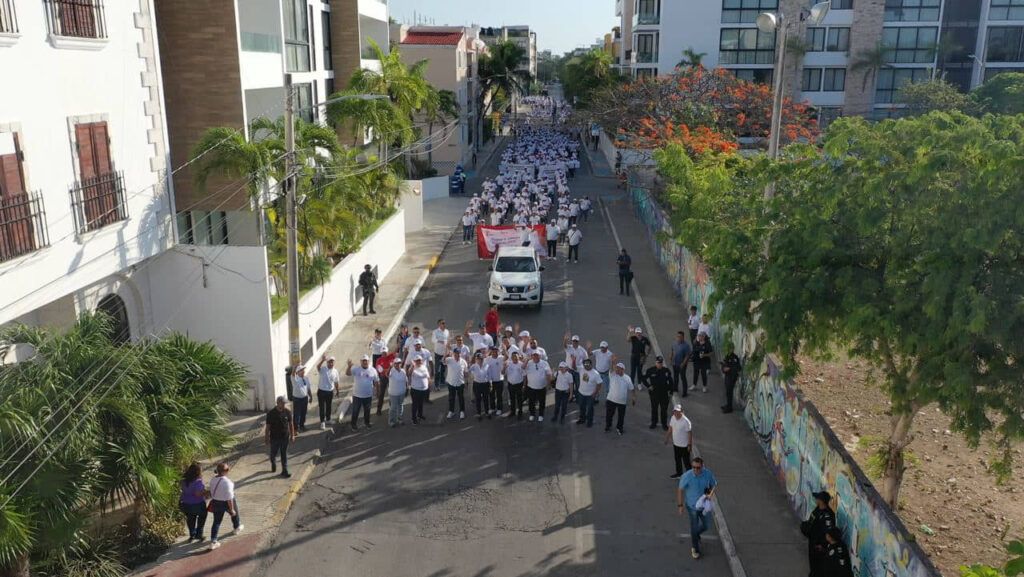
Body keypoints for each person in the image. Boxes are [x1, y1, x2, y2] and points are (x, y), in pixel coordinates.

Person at [677, 457, 717, 559]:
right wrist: (680, 505)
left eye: (698, 468)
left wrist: (710, 494)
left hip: (704, 506)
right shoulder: (687, 476)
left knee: (706, 526)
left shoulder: (707, 474)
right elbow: (680, 490)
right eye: (693, 467)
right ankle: (695, 548)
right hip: (692, 507)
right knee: (694, 527)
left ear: (702, 466)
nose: (695, 470)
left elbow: (714, 485)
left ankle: (696, 534)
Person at [207, 463, 243, 550]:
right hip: (226, 502)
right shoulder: (227, 482)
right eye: (227, 469)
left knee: (216, 522)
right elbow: (229, 498)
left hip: (216, 502)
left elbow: (211, 491)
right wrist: (231, 509)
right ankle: (236, 527)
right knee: (235, 514)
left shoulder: (213, 479)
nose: (228, 471)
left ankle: (213, 541)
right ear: (225, 471)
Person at [801, 491, 837, 577]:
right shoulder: (817, 509)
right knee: (813, 565)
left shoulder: (828, 515)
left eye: (817, 498)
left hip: (819, 546)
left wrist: (823, 545)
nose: (816, 499)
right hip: (813, 542)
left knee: (818, 567)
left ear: (821, 501)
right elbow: (812, 523)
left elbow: (829, 532)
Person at [345, 355, 379, 430]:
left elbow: (376, 381)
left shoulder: (373, 370)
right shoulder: (356, 369)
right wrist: (349, 366)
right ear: (361, 362)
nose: (365, 362)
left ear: (368, 361)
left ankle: (367, 423)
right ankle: (353, 425)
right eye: (363, 361)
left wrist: (377, 392)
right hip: (357, 396)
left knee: (367, 411)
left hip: (368, 395)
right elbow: (347, 373)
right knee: (355, 411)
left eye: (366, 361)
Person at [266, 395, 295, 477]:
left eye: (284, 403)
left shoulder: (288, 412)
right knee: (273, 454)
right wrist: (266, 438)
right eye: (282, 403)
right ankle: (273, 462)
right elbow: (268, 427)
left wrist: (292, 435)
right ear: (278, 403)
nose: (284, 405)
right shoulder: (271, 413)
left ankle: (284, 471)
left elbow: (291, 424)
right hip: (274, 438)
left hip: (284, 437)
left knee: (284, 454)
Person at [605, 362, 636, 435]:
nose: (617, 370)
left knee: (621, 416)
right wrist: (613, 362)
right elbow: (611, 368)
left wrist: (634, 397)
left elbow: (632, 388)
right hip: (611, 399)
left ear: (623, 370)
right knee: (609, 414)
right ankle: (608, 426)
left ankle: (619, 428)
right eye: (616, 368)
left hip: (622, 401)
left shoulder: (627, 378)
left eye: (619, 368)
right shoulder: (612, 375)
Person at [179, 462, 207, 542]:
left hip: (186, 504)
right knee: (202, 518)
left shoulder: (184, 481)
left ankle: (192, 535)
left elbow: (183, 489)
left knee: (190, 519)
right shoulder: (198, 482)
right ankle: (199, 534)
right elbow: (197, 494)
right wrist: (206, 492)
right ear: (197, 472)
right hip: (198, 504)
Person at [643, 356, 673, 429]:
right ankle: (654, 422)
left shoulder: (666, 371)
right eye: (658, 363)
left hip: (664, 394)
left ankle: (664, 424)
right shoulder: (651, 370)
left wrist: (670, 392)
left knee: (664, 410)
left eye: (661, 363)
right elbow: (643, 378)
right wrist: (648, 386)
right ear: (655, 363)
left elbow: (671, 382)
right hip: (654, 394)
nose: (660, 364)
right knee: (654, 409)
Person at [665, 405, 693, 478]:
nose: (676, 413)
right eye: (675, 411)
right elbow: (670, 428)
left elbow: (689, 434)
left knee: (686, 462)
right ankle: (679, 473)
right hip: (676, 444)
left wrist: (689, 445)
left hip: (684, 445)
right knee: (677, 460)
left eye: (678, 411)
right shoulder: (673, 418)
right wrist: (667, 438)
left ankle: (690, 476)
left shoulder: (686, 421)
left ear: (682, 412)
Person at [525, 351, 552, 422]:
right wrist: (527, 360)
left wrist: (549, 384)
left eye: (537, 355)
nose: (535, 357)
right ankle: (532, 414)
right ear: (532, 356)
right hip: (531, 387)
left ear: (540, 356)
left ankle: (541, 415)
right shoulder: (528, 363)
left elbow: (549, 374)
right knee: (531, 402)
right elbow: (522, 368)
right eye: (534, 355)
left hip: (542, 387)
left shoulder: (544, 363)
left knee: (542, 402)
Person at [576, 358, 602, 427]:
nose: (586, 366)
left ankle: (590, 421)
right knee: (582, 407)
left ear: (591, 364)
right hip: (581, 393)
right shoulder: (581, 369)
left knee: (590, 408)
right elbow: (574, 367)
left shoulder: (595, 374)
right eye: (585, 364)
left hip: (590, 395)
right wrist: (573, 360)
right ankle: (582, 419)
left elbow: (599, 384)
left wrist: (595, 393)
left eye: (588, 364)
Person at [444, 347, 469, 419]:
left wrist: (466, 382)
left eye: (458, 353)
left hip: (460, 383)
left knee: (461, 398)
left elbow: (466, 373)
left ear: (460, 354)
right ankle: (451, 411)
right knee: (451, 398)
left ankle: (462, 411)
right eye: (455, 353)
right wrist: (446, 350)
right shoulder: (449, 360)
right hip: (451, 383)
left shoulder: (463, 362)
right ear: (453, 353)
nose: (456, 355)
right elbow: (443, 361)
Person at [315, 356, 340, 429]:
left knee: (329, 406)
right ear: (327, 362)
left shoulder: (335, 371)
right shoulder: (323, 369)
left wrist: (337, 391)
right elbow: (318, 367)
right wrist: (322, 360)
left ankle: (328, 419)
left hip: (330, 392)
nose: (331, 363)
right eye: (329, 362)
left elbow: (336, 382)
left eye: (332, 362)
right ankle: (322, 422)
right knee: (322, 407)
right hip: (321, 391)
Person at [408, 356, 431, 424]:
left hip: (424, 389)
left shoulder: (424, 367)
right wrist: (412, 366)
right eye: (417, 360)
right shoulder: (413, 368)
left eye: (420, 360)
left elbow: (428, 376)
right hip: (415, 390)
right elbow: (409, 373)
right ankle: (414, 419)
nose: (419, 362)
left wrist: (429, 384)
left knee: (421, 403)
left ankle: (420, 415)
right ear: (415, 361)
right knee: (415, 404)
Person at [470, 352, 492, 420]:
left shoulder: (487, 365)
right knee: (478, 399)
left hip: (485, 384)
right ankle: (479, 413)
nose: (479, 360)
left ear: (483, 359)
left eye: (481, 359)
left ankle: (487, 412)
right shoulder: (473, 366)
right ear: (476, 359)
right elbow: (468, 372)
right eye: (478, 359)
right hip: (477, 384)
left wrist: (490, 385)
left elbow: (489, 376)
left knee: (486, 399)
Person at [505, 349, 527, 419]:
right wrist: (504, 367)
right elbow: (503, 373)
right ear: (511, 358)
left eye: (516, 356)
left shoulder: (521, 365)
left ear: (518, 357)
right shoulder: (508, 364)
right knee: (512, 399)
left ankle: (520, 412)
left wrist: (524, 385)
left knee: (519, 399)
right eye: (513, 356)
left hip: (519, 385)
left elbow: (524, 376)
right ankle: (513, 412)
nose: (515, 358)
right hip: (510, 384)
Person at [720, 345, 742, 413]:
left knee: (729, 391)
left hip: (732, 377)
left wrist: (729, 369)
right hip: (727, 376)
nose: (729, 350)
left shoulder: (735, 358)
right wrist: (723, 369)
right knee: (727, 392)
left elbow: (738, 368)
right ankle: (728, 405)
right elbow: (724, 365)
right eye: (728, 349)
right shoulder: (727, 356)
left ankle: (729, 408)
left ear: (733, 349)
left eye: (730, 349)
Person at [485, 346, 506, 416]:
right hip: (491, 381)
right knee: (491, 395)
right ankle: (493, 408)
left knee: (499, 395)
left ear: (498, 351)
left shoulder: (501, 358)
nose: (495, 353)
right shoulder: (488, 359)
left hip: (500, 380)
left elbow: (507, 357)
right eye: (493, 351)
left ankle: (499, 409)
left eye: (496, 351)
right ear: (491, 352)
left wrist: (505, 349)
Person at [290, 364, 311, 432]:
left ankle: (302, 426)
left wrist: (310, 396)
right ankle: (296, 428)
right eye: (301, 370)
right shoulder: (295, 379)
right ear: (297, 372)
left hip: (305, 398)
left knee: (303, 413)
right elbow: (292, 375)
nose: (303, 371)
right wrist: (294, 367)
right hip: (297, 399)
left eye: (303, 370)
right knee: (297, 414)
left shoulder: (306, 378)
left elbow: (308, 388)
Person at [387, 361, 408, 427]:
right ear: (394, 364)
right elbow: (387, 374)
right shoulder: (391, 371)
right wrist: (390, 367)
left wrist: (407, 389)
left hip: (402, 392)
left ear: (400, 364)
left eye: (399, 363)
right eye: (396, 363)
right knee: (393, 407)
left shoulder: (403, 371)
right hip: (393, 393)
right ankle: (391, 421)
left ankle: (400, 419)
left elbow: (406, 380)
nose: (397, 364)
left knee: (400, 406)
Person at [431, 319, 450, 392]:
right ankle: (436, 385)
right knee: (437, 370)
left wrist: (449, 350)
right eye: (442, 323)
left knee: (443, 369)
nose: (444, 324)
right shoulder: (435, 332)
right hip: (438, 354)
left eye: (445, 323)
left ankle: (442, 381)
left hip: (445, 353)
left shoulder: (447, 331)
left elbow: (448, 341)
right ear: (439, 324)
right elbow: (433, 340)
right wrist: (439, 341)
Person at [671, 331, 692, 397]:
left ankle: (684, 392)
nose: (678, 338)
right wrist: (671, 357)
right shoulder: (674, 343)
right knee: (675, 376)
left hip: (682, 364)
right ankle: (675, 388)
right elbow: (672, 350)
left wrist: (683, 363)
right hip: (675, 363)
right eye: (678, 336)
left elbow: (687, 355)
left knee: (683, 377)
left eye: (680, 337)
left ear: (683, 337)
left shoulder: (686, 345)